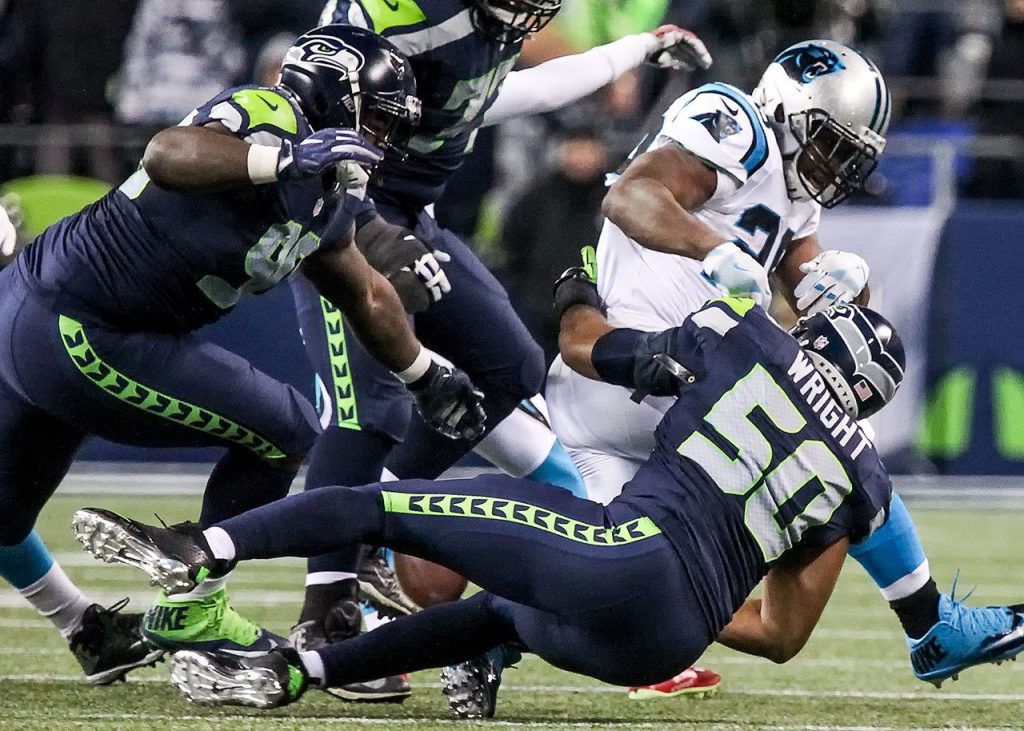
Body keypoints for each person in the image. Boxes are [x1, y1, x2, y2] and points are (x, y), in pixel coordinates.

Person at [74, 292, 909, 720]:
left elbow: (589, 348)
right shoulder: (862, 476)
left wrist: (576, 291)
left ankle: (201, 547)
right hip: (664, 641)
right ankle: (297, 671)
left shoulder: (751, 336)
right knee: (499, 613)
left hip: (621, 555)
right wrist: (694, 586)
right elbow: (782, 635)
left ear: (817, 337)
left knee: (381, 503)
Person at [0, 24, 486, 680]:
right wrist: (282, 160)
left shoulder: (330, 193)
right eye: (378, 118)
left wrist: (424, 374)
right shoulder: (269, 115)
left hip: (49, 315)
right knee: (285, 428)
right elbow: (167, 153)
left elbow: (366, 292)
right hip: (81, 322)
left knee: (4, 511)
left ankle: (89, 630)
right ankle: (194, 605)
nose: (384, 138)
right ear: (336, 97)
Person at [543, 38, 1024, 695]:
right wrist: (714, 250)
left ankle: (493, 636)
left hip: (671, 400)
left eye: (852, 156)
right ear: (788, 111)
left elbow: (813, 290)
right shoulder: (737, 124)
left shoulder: (795, 189)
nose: (839, 168)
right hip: (632, 373)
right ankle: (929, 619)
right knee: (834, 428)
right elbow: (630, 197)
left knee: (743, 622)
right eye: (832, 145)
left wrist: (841, 285)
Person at [286, 0, 715, 701]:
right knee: (370, 409)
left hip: (411, 217)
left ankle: (370, 518)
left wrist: (636, 49)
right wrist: (369, 229)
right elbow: (305, 104)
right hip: (336, 216)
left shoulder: (487, 31)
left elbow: (515, 94)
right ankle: (324, 615)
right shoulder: (404, 15)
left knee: (511, 368)